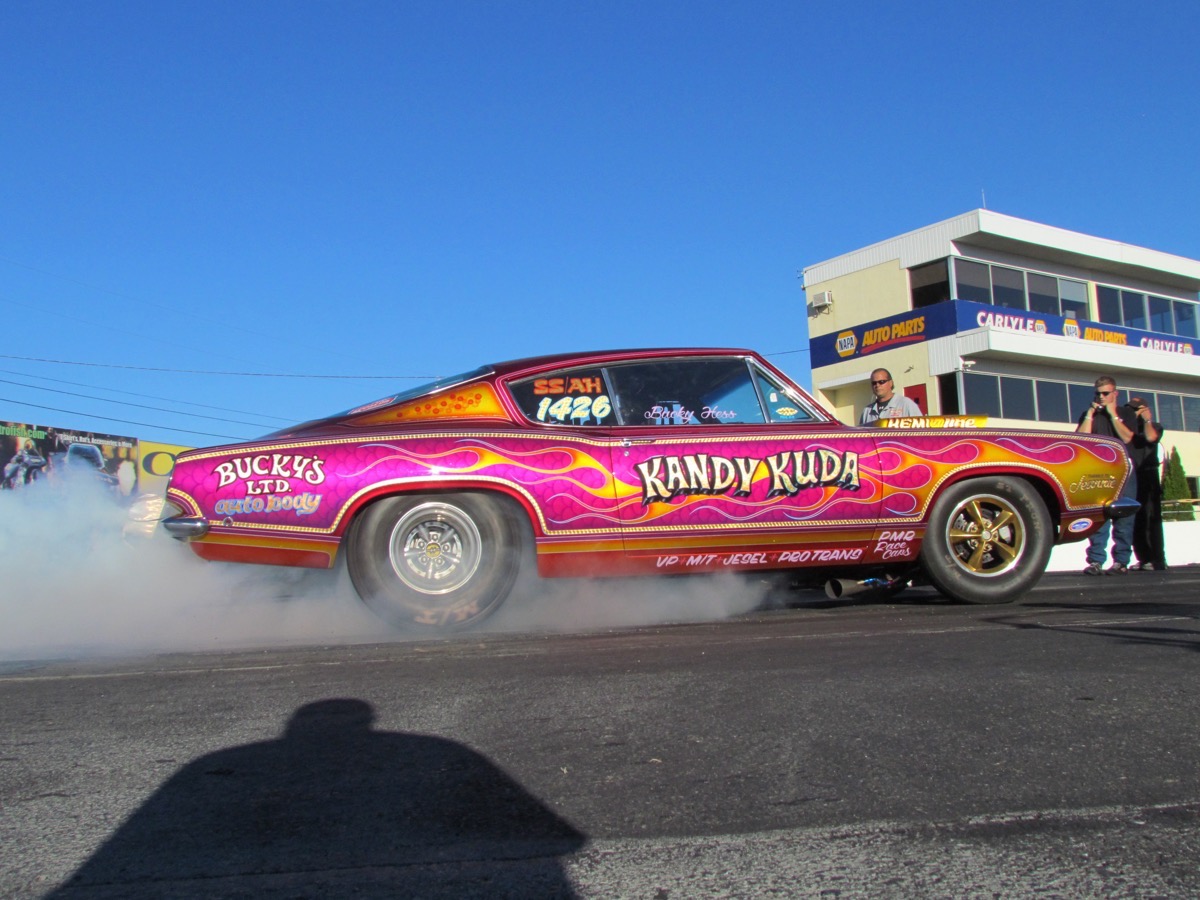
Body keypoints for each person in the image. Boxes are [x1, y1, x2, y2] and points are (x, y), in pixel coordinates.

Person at [1076, 375, 1138, 575]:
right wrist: (1089, 416)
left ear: (1115, 394)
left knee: (1123, 517)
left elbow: (1128, 437)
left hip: (1122, 470)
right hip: (1099, 471)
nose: (1101, 397)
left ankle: (1121, 561)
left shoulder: (1126, 414)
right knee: (1098, 516)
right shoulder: (1090, 414)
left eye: (1105, 393)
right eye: (1098, 393)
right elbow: (1080, 439)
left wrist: (1113, 416)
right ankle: (1095, 561)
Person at [1124, 395, 1167, 570]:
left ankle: (1157, 559)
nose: (1133, 413)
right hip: (1133, 475)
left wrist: (1146, 419)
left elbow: (1151, 437)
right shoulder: (1129, 430)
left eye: (1136, 409)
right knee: (1135, 519)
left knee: (1151, 519)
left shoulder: (1154, 426)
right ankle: (1143, 558)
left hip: (1149, 475)